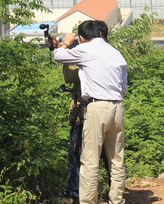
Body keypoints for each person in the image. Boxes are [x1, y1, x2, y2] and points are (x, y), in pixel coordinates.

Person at [53, 20, 128, 204]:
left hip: (96, 107)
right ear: (101, 34)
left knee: (90, 160)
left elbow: (59, 55)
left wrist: (66, 42)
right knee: (117, 160)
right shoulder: (116, 54)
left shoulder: (86, 49)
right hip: (117, 107)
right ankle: (117, 200)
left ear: (81, 37)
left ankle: (88, 201)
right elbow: (123, 88)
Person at [61, 21, 111, 203]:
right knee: (110, 156)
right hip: (109, 112)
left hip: (85, 114)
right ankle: (114, 191)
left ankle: (77, 193)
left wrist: (65, 51)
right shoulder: (109, 54)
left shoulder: (89, 57)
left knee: (78, 155)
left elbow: (70, 76)